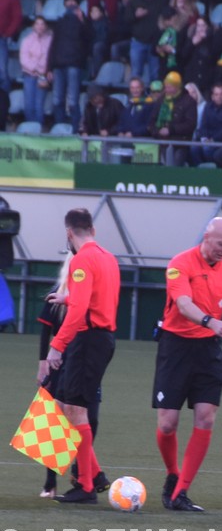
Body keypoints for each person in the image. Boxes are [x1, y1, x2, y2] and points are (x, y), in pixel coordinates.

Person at [153, 217, 222, 512]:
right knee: (168, 424)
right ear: (207, 237)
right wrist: (211, 322)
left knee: (206, 417)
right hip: (176, 347)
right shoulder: (180, 263)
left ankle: (181, 491)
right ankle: (172, 474)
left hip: (208, 350)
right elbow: (183, 305)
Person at [46, 208, 120, 504]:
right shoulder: (107, 257)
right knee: (64, 405)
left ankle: (86, 487)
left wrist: (57, 345)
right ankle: (96, 475)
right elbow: (97, 297)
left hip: (88, 340)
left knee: (75, 410)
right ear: (93, 229)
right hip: (100, 337)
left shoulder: (81, 259)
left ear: (68, 233)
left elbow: (78, 313)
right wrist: (68, 296)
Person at [47, 0, 92, 133]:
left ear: (78, 4)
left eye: (74, 1)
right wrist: (49, 68)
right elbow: (53, 46)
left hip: (74, 64)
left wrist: (83, 20)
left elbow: (90, 39)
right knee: (57, 100)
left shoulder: (84, 21)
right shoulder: (59, 23)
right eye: (68, 1)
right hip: (58, 65)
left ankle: (75, 131)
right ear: (65, 4)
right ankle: (60, 129)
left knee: (73, 101)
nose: (71, 3)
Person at [148, 71, 197, 166]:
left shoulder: (189, 101)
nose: (166, 89)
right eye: (165, 86)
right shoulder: (161, 99)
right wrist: (157, 131)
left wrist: (171, 129)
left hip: (180, 143)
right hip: (161, 142)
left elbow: (190, 124)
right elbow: (152, 120)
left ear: (177, 87)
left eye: (169, 87)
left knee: (174, 169)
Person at [190, 83, 222, 166]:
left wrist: (213, 139)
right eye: (216, 94)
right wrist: (204, 137)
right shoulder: (208, 106)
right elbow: (203, 125)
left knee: (207, 149)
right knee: (194, 148)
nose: (219, 97)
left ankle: (213, 169)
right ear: (212, 96)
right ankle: (200, 169)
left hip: (221, 140)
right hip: (208, 139)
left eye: (221, 94)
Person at [127, 0, 166, 84]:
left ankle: (156, 97)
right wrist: (135, 15)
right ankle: (135, 97)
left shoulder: (161, 0)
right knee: (136, 73)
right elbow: (126, 19)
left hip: (155, 43)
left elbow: (165, 18)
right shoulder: (133, 1)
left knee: (155, 75)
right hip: (138, 42)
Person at [19, 16, 52, 125]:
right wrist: (36, 68)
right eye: (37, 24)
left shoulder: (50, 40)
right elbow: (24, 59)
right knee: (29, 104)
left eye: (42, 24)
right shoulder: (27, 40)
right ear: (33, 26)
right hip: (29, 74)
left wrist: (42, 72)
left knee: (39, 105)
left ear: (46, 26)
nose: (40, 26)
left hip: (42, 75)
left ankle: (38, 131)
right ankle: (30, 129)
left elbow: (49, 57)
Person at [180, 17, 215, 96]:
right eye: (199, 26)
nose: (201, 28)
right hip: (192, 79)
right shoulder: (189, 40)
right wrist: (192, 44)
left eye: (203, 25)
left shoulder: (212, 40)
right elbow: (183, 57)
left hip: (206, 81)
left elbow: (213, 57)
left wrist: (206, 40)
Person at [0, 0, 22, 93]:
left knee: (3, 71)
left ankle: (3, 104)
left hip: (1, 38)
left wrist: (8, 33)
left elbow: (17, 17)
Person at [156, 6, 180, 79]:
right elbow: (154, 49)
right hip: (163, 65)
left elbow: (183, 50)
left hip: (177, 65)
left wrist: (173, 50)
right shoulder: (159, 32)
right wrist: (161, 48)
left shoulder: (180, 32)